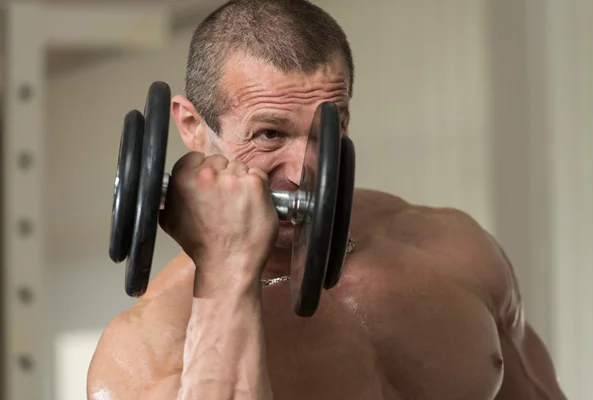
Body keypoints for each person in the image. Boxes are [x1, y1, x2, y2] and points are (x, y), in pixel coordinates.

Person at [87, 1, 568, 399]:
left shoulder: (455, 248)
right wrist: (228, 267)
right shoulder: (143, 352)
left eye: (327, 130)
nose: (303, 174)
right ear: (192, 127)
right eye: (270, 134)